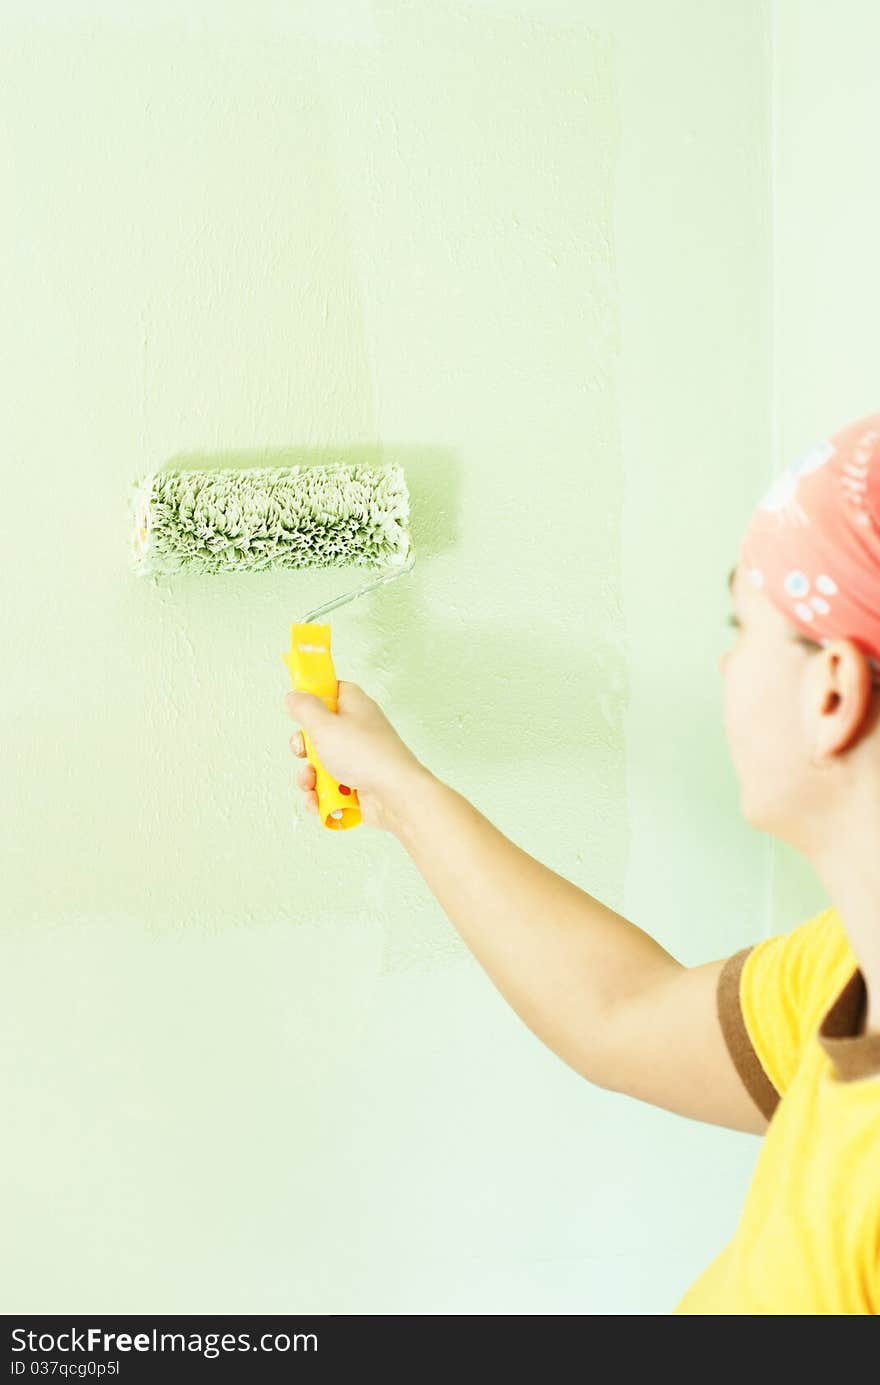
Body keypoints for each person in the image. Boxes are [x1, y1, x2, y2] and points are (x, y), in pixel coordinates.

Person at [284, 409, 880, 1315]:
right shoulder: (846, 972)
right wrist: (400, 791)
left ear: (832, 688)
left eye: (742, 625)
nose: (725, 665)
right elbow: (620, 1011)